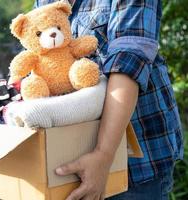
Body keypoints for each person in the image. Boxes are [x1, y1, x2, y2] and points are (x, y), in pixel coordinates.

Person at [34, 0, 184, 199]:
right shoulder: (45, 2)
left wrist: (103, 154)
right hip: (71, 157)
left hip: (138, 157)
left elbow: (129, 59)